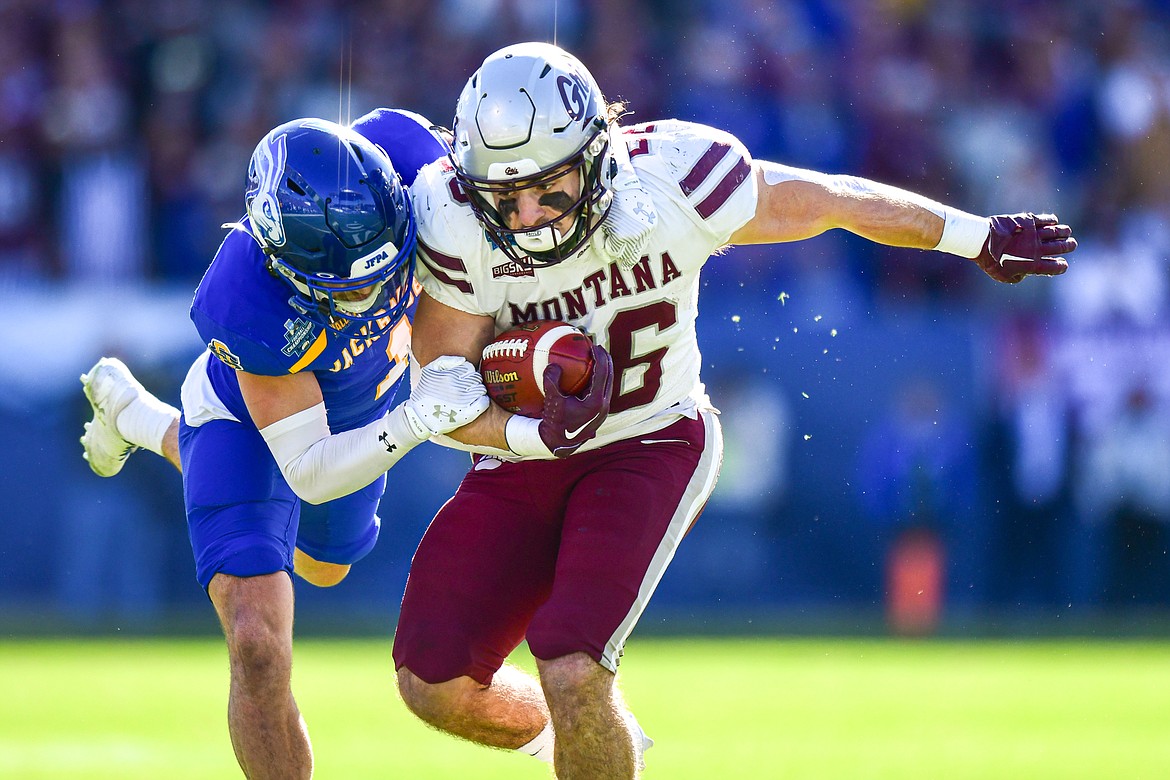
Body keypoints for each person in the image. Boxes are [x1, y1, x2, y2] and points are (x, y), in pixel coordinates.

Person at [392, 41, 1077, 779]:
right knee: (432, 683)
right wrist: (523, 429)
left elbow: (831, 201)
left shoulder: (675, 180)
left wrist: (975, 236)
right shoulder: (455, 221)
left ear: (596, 153)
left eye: (549, 187)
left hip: (649, 440)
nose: (527, 215)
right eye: (504, 194)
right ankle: (597, 737)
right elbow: (442, 398)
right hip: (522, 455)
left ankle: (589, 719)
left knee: (571, 666)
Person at [79, 110, 489, 779]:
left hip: (366, 397)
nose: (369, 293)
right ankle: (197, 437)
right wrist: (417, 421)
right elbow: (310, 474)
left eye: (378, 273)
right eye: (346, 285)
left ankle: (138, 419)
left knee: (324, 565)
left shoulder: (420, 164)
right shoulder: (245, 297)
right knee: (257, 645)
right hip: (249, 415)